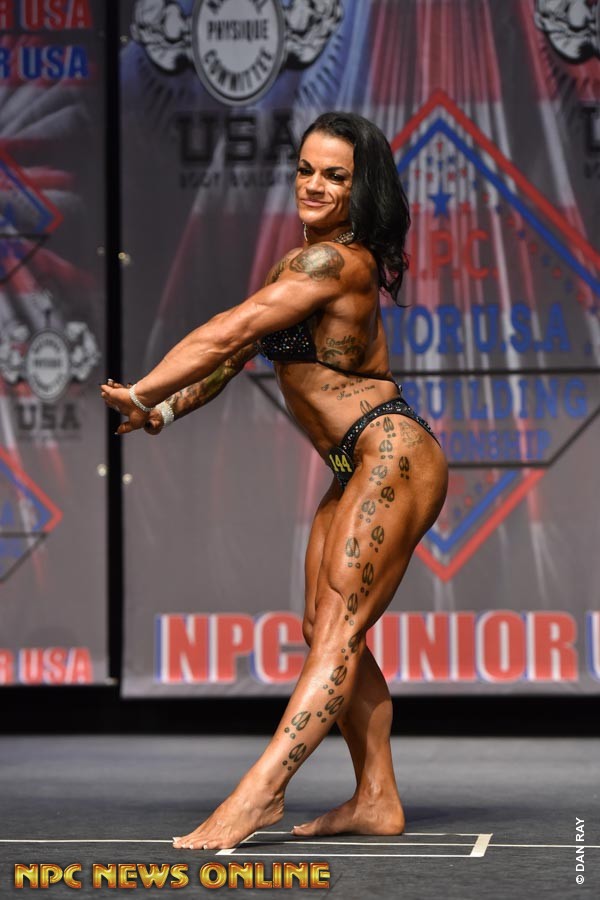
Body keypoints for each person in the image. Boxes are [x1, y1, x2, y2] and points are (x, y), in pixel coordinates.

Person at [101, 112, 448, 850]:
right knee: (324, 631)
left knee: (339, 632)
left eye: (335, 176)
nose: (314, 185)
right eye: (306, 169)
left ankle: (258, 795)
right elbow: (235, 359)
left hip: (392, 453)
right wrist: (163, 410)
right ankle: (376, 797)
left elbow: (228, 330)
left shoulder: (336, 263)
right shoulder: (299, 265)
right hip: (355, 463)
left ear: (361, 189)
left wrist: (142, 387)